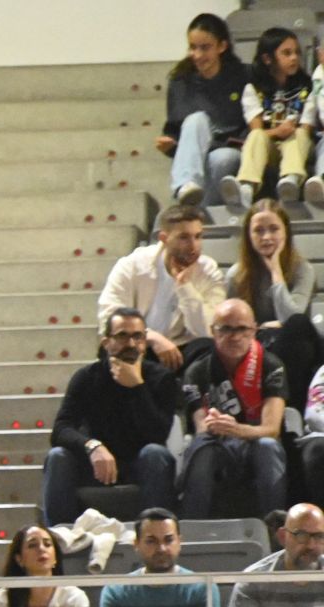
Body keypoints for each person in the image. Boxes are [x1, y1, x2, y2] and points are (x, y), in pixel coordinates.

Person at [43, 309, 180, 525]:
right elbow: (61, 430)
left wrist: (137, 388)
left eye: (138, 336)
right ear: (106, 342)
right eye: (122, 336)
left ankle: (156, 533)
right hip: (96, 466)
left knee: (156, 453)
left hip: (141, 464)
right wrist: (92, 445)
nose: (131, 344)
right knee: (58, 456)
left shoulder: (161, 379)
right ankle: (61, 538)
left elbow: (158, 434)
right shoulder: (86, 378)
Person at [179, 296, 288, 517]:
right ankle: (192, 529)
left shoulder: (271, 365)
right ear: (213, 331)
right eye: (226, 329)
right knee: (202, 446)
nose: (235, 336)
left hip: (255, 445)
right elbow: (201, 425)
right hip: (217, 445)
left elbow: (272, 428)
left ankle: (276, 529)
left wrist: (236, 430)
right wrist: (216, 427)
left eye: (243, 329)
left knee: (268, 446)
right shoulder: (197, 370)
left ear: (255, 330)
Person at [96, 204, 223, 374]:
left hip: (181, 350)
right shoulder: (132, 265)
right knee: (111, 347)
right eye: (184, 237)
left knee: (209, 349)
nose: (194, 246)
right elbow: (109, 318)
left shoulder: (208, 270)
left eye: (198, 236)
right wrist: (151, 338)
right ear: (164, 238)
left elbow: (207, 330)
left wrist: (185, 288)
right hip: (139, 343)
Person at [230, 197, 319, 409]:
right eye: (259, 231)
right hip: (256, 343)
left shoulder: (302, 269)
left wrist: (275, 270)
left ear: (285, 232)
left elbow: (290, 318)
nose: (267, 237)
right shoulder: (237, 275)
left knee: (298, 325)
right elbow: (234, 324)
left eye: (274, 229)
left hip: (296, 344)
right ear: (249, 236)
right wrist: (263, 327)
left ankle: (292, 412)